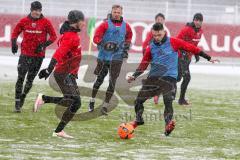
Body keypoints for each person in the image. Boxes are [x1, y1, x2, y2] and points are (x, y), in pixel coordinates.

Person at [127, 23, 219, 136]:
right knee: (138, 101)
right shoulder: (151, 47)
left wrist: (208, 58)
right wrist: (134, 75)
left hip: (169, 78)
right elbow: (143, 64)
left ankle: (168, 125)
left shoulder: (173, 42)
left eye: (159, 35)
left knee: (167, 101)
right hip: (153, 78)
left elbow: (192, 48)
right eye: (154, 35)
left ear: (164, 32)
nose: (156, 37)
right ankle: (138, 120)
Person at [34, 10, 85, 138]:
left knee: (72, 101)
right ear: (76, 22)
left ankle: (45, 101)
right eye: (82, 21)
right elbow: (59, 53)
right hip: (65, 73)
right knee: (75, 102)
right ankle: (57, 129)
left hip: (68, 73)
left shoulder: (70, 34)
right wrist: (49, 69)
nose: (84, 23)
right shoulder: (70, 36)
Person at [11, 1, 57, 112]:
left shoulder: (46, 22)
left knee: (29, 80)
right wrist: (13, 43)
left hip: (38, 56)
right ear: (31, 10)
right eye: (35, 10)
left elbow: (53, 36)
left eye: (39, 10)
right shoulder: (24, 21)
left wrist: (43, 45)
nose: (37, 12)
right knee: (20, 78)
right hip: (25, 55)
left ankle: (23, 95)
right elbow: (15, 33)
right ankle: (17, 103)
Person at [88, 4, 133, 114]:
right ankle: (92, 100)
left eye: (118, 12)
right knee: (99, 80)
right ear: (112, 12)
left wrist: (126, 47)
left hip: (117, 59)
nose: (116, 14)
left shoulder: (126, 26)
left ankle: (105, 106)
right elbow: (96, 38)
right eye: (115, 12)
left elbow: (129, 37)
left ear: (121, 13)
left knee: (112, 83)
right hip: (103, 58)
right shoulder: (104, 25)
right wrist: (105, 44)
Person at [177, 13, 204, 105]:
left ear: (202, 22)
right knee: (187, 77)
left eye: (200, 20)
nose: (198, 22)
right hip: (180, 57)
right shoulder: (186, 29)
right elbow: (176, 41)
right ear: (193, 20)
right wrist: (183, 50)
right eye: (196, 20)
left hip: (188, 58)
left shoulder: (200, 31)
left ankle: (162, 87)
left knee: (177, 78)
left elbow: (194, 44)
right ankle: (181, 100)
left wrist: (196, 53)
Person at [142, 13, 166, 104]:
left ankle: (153, 93)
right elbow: (145, 44)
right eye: (158, 19)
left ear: (164, 21)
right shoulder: (151, 32)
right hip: (153, 57)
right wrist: (146, 56)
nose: (159, 21)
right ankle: (153, 92)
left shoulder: (165, 33)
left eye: (161, 19)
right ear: (155, 20)